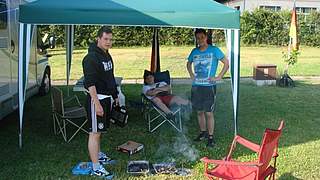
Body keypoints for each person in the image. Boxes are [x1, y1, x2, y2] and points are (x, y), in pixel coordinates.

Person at [82, 26, 118, 177]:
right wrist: (96, 104)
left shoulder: (106, 55)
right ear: (98, 38)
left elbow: (110, 77)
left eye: (110, 39)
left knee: (100, 130)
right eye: (105, 39)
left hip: (107, 98)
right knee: (94, 133)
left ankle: (99, 154)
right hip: (96, 99)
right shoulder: (91, 58)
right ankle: (96, 166)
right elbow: (90, 83)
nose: (108, 42)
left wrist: (115, 96)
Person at [186, 28, 229, 147]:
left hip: (209, 86)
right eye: (198, 38)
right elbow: (188, 63)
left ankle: (210, 137)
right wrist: (191, 75)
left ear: (206, 37)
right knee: (199, 112)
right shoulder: (194, 51)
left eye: (202, 37)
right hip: (196, 86)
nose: (200, 40)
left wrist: (219, 76)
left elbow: (226, 63)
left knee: (209, 113)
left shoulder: (214, 50)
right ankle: (203, 133)